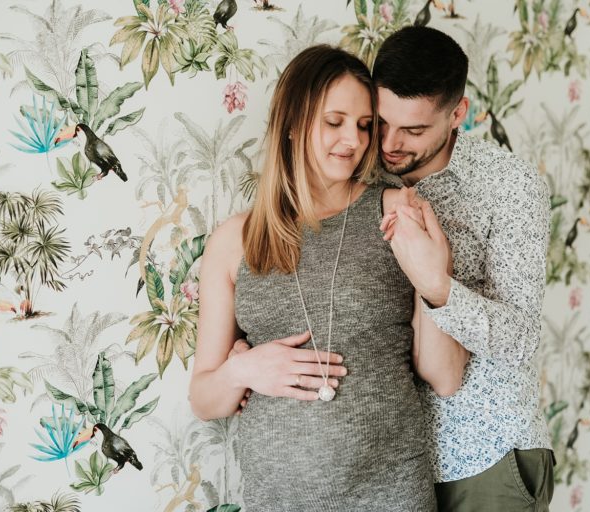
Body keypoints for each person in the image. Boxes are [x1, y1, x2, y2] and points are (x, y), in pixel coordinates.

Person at [188, 44, 466, 510]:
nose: (354, 142)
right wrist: (244, 369)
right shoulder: (236, 239)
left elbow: (445, 375)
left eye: (363, 126)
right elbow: (204, 399)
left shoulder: (397, 213)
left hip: (391, 494)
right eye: (334, 122)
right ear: (295, 124)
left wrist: (436, 280)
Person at [374, 26, 555, 511]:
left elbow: (519, 337)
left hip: (483, 461)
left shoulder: (510, 186)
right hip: (385, 469)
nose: (390, 144)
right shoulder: (360, 172)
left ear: (458, 114)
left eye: (413, 131)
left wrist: (440, 288)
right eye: (381, 123)